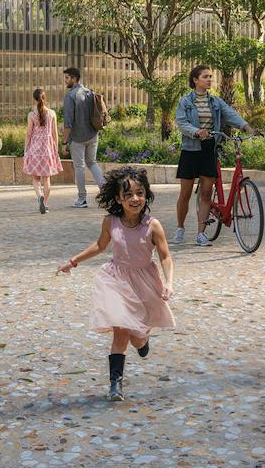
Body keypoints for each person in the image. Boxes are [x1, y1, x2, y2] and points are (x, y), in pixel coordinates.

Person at [56, 166, 175, 403]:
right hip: (116, 280)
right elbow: (100, 246)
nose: (135, 199)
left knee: (137, 336)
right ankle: (115, 385)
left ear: (146, 195)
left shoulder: (153, 225)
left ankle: (143, 340)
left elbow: (165, 256)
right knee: (120, 330)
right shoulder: (111, 222)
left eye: (140, 193)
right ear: (119, 198)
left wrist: (169, 283)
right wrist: (73, 261)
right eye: (128, 194)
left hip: (145, 281)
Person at [172, 66, 254, 244]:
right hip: (190, 149)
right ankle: (180, 227)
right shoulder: (185, 102)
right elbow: (182, 123)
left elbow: (230, 114)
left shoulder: (215, 102)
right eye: (205, 77)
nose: (209, 80)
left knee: (207, 193)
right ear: (195, 80)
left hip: (209, 148)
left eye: (210, 77)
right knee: (185, 193)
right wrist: (196, 132)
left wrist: (246, 126)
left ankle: (201, 233)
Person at [60, 67, 106, 206]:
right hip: (93, 134)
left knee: (79, 166)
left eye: (67, 78)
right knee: (92, 162)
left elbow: (68, 123)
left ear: (74, 79)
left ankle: (82, 199)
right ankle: (105, 191)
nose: (65, 80)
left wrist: (64, 143)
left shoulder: (70, 95)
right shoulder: (89, 92)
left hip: (78, 138)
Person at [23, 87, 61, 214]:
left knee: (35, 178)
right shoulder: (52, 113)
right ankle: (45, 203)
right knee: (46, 179)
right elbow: (55, 133)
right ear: (45, 98)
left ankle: (39, 196)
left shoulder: (31, 115)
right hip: (48, 148)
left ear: (34, 100)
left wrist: (26, 149)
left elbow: (29, 133)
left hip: (35, 148)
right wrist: (56, 148)